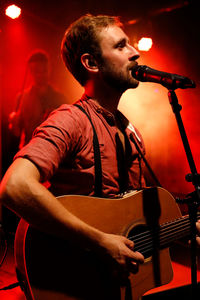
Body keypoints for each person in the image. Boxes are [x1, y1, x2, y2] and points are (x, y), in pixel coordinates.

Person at [8, 50, 67, 149]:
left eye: (44, 70)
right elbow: (17, 132)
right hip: (28, 150)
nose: (40, 75)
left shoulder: (60, 98)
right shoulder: (22, 98)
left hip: (52, 150)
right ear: (30, 72)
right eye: (36, 71)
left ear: (49, 69)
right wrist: (13, 122)